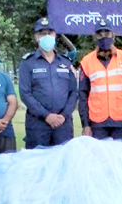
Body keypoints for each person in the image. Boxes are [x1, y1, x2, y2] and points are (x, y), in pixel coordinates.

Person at [18, 17, 78, 148]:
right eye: (42, 33)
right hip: (38, 124)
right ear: (36, 37)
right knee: (37, 163)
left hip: (63, 125)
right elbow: (25, 93)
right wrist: (46, 116)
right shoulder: (27, 62)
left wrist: (64, 115)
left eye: (49, 33)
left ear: (55, 35)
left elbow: (73, 92)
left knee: (63, 164)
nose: (46, 36)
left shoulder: (65, 62)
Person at [78, 20, 122, 140]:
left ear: (113, 35)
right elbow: (82, 95)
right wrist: (85, 124)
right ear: (94, 37)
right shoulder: (86, 62)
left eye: (107, 33)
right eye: (100, 34)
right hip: (97, 122)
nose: (103, 37)